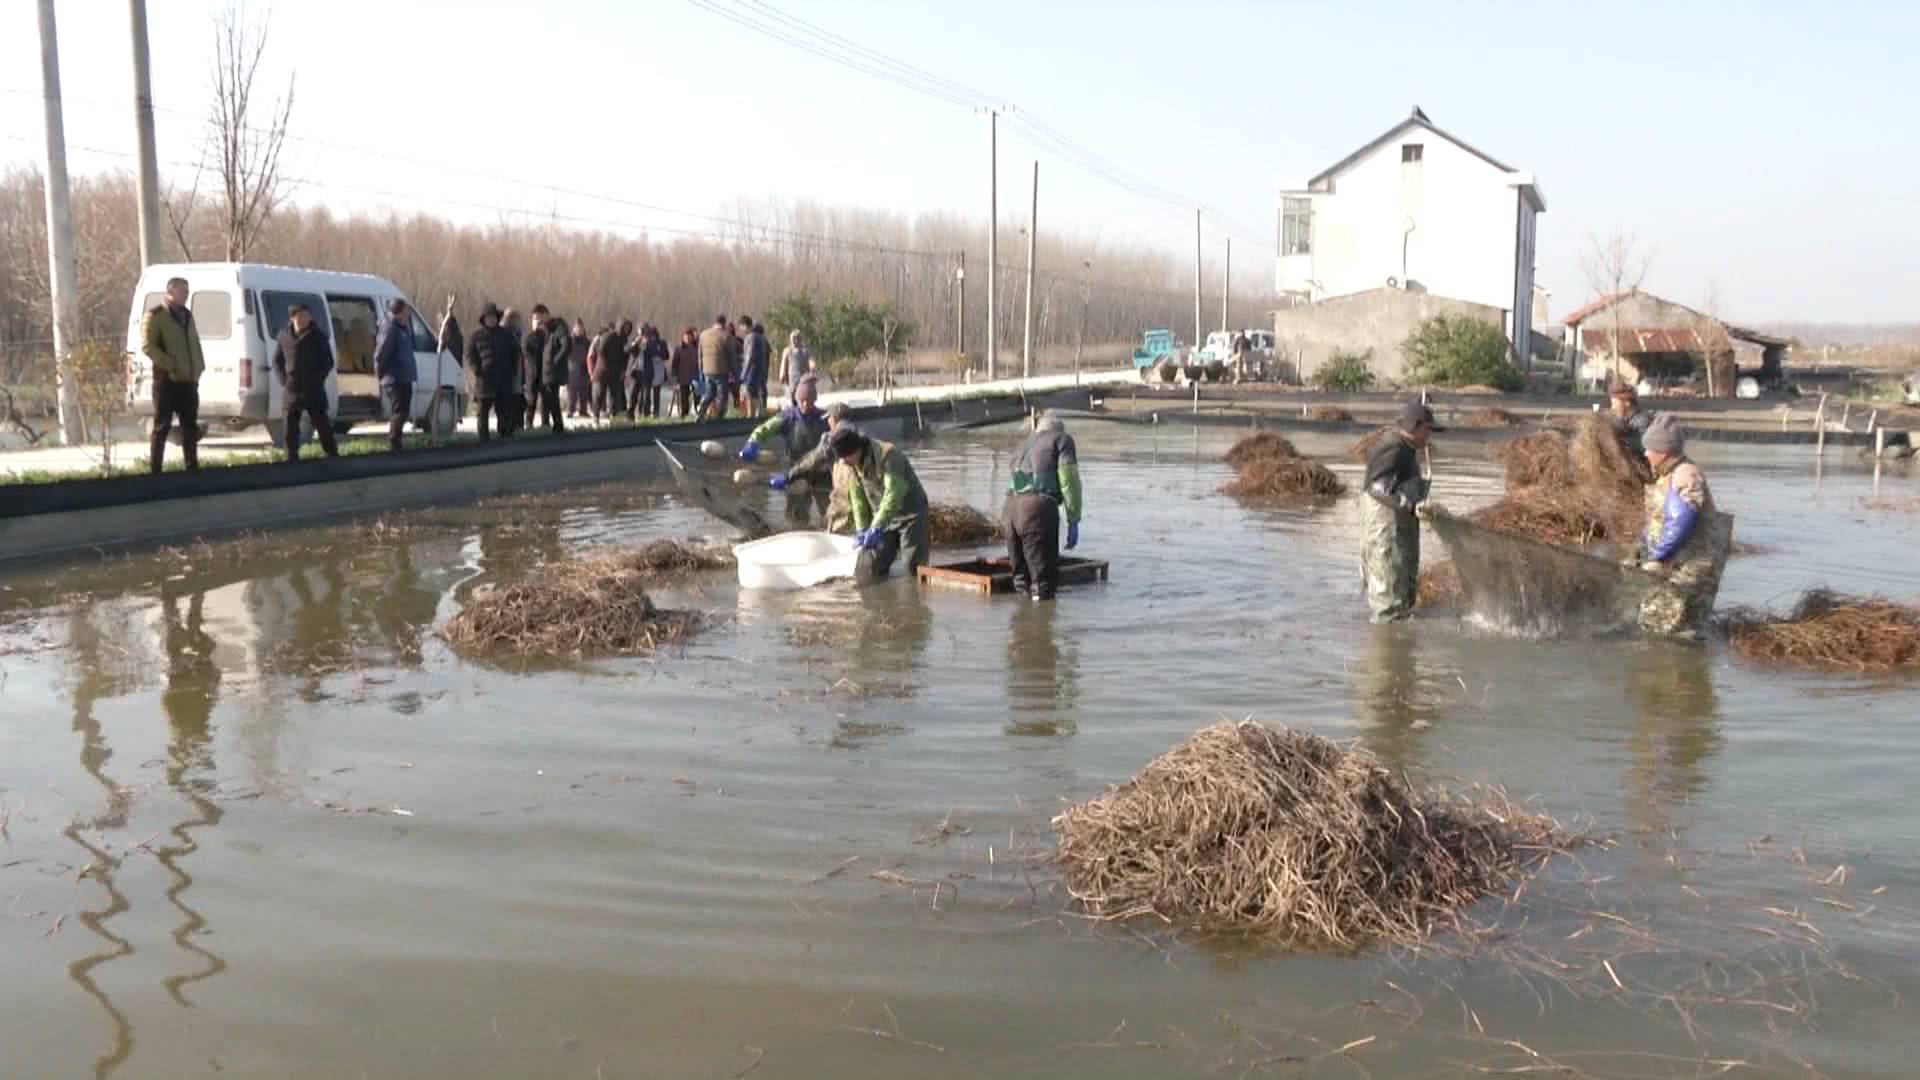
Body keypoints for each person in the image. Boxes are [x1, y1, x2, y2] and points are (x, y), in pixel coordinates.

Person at [1634, 415, 1729, 638]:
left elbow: (1680, 521)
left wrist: (1658, 557)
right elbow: (1658, 521)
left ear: (1664, 452)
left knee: (1661, 625)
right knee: (1674, 627)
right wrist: (1642, 548)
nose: (1646, 454)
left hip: (1691, 565)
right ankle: (1684, 668)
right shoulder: (1666, 475)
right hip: (1675, 560)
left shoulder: (1685, 474)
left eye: (1650, 449)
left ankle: (1674, 668)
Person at [1361, 401, 1444, 623]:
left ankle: (1400, 640)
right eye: (1428, 430)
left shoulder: (1407, 448)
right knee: (1387, 597)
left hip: (1399, 529)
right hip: (1386, 531)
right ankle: (1388, 649)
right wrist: (1408, 504)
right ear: (1415, 426)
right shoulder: (1394, 447)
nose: (1430, 436)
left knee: (1401, 592)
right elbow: (1377, 487)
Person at [829, 424, 931, 581]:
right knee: (873, 566)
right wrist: (862, 528)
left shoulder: (888, 455)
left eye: (845, 457)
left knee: (913, 570)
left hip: (911, 516)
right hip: (884, 520)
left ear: (856, 449)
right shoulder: (851, 464)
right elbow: (858, 500)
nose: (843, 462)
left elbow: (894, 494)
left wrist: (876, 526)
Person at [1004, 409, 1085, 601]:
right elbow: (1069, 481)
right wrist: (1073, 519)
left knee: (1021, 579)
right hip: (1036, 510)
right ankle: (1041, 625)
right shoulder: (1062, 440)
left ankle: (1022, 622)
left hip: (1009, 509)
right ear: (1058, 428)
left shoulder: (1023, 444)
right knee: (1043, 583)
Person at [742, 375, 832, 525]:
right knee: (796, 513)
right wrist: (753, 441)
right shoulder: (789, 417)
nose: (805, 404)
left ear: (814, 400)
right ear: (797, 399)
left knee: (830, 509)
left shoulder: (823, 418)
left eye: (809, 401)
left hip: (821, 471)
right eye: (802, 400)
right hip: (795, 471)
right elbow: (765, 429)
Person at [141, 276, 206, 474]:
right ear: (170, 291)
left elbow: (194, 342)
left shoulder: (187, 315)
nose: (186, 295)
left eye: (187, 291)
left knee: (190, 427)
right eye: (182, 291)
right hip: (166, 381)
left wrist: (199, 367)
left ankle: (191, 468)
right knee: (162, 426)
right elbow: (147, 346)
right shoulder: (155, 315)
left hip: (188, 381)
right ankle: (156, 470)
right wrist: (171, 365)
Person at [272, 301, 339, 462]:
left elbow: (328, 361)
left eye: (307, 316)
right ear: (292, 318)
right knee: (290, 426)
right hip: (292, 388)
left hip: (313, 388)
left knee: (322, 423)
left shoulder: (318, 336)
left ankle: (332, 454)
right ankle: (291, 457)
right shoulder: (284, 335)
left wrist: (318, 379)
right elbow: (277, 361)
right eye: (300, 316)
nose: (304, 319)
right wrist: (283, 380)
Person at [780, 401, 854, 532]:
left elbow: (813, 459)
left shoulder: (832, 438)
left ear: (835, 418)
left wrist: (789, 475)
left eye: (829, 419)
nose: (828, 422)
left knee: (836, 524)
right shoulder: (858, 432)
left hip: (846, 487)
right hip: (860, 487)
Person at [464, 303, 519, 442]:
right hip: (485, 380)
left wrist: (512, 370)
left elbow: (515, 353)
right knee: (483, 411)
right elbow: (470, 355)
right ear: (484, 319)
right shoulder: (476, 336)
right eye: (489, 317)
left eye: (494, 317)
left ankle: (505, 435)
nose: (492, 320)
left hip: (503, 378)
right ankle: (483, 437)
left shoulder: (506, 334)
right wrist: (477, 370)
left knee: (504, 409)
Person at [373, 298, 416, 451]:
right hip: (394, 377)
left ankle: (396, 441)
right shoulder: (390, 328)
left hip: (404, 376)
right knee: (400, 411)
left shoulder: (403, 327)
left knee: (403, 411)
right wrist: (381, 374)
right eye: (406, 310)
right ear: (400, 311)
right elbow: (382, 353)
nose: (408, 313)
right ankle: (394, 442)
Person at [524, 303, 568, 434]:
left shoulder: (557, 328)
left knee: (551, 400)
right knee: (536, 400)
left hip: (550, 372)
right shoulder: (535, 335)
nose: (538, 321)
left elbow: (566, 345)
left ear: (546, 315)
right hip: (536, 372)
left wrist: (554, 362)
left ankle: (555, 426)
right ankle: (536, 425)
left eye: (540, 317)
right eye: (535, 319)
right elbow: (526, 351)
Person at [593, 319, 632, 422]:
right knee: (599, 393)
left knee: (614, 395)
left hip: (615, 371)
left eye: (628, 328)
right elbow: (600, 350)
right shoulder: (609, 336)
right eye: (625, 327)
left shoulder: (624, 340)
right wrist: (606, 363)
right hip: (603, 370)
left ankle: (613, 416)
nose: (626, 330)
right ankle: (596, 415)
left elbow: (625, 357)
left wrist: (623, 370)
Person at [1608, 380, 1656, 457]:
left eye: (1614, 404)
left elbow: (1640, 447)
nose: (1612, 407)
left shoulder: (1641, 421)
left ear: (1627, 403)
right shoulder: (1625, 419)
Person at [697, 315, 731, 420]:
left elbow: (699, 355)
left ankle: (701, 413)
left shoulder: (703, 335)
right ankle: (718, 418)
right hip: (721, 370)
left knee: (709, 394)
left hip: (707, 370)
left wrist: (701, 370)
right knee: (722, 396)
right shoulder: (726, 336)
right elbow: (731, 356)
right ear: (724, 323)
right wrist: (735, 372)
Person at [740, 316, 771, 416]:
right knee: (756, 394)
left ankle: (752, 417)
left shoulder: (751, 337)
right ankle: (759, 414)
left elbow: (749, 356)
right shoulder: (762, 339)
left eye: (741, 326)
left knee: (750, 394)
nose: (741, 329)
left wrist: (743, 374)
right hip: (760, 371)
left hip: (752, 372)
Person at [671, 326, 699, 418]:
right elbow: (675, 364)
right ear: (683, 337)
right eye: (685, 337)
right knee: (684, 398)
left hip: (695, 376)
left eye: (689, 336)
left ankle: (698, 413)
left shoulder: (697, 348)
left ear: (692, 337)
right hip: (683, 377)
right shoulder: (679, 349)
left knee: (697, 396)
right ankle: (684, 415)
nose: (687, 338)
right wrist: (675, 379)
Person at [565, 319, 591, 418]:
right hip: (572, 368)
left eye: (581, 328)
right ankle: (570, 410)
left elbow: (590, 354)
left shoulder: (586, 341)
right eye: (577, 328)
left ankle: (583, 411)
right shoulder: (570, 340)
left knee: (584, 392)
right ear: (574, 329)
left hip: (584, 368)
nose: (579, 330)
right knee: (572, 393)